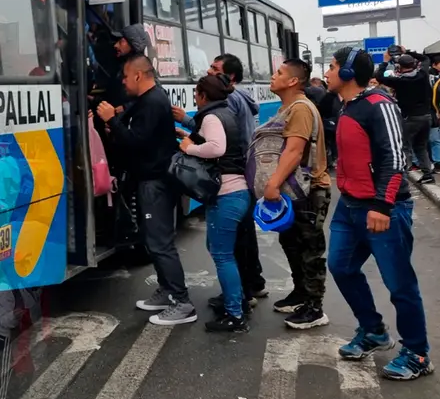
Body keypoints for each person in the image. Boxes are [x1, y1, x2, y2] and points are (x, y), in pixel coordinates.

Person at [323, 47, 433, 380]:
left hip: (383, 207)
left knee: (400, 284)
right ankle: (373, 330)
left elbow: (395, 159)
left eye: (331, 67)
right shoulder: (346, 106)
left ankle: (417, 353)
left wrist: (383, 205)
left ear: (346, 73)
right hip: (349, 205)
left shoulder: (379, 106)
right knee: (340, 266)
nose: (327, 72)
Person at [95, 55, 194, 325]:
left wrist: (112, 122)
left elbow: (136, 142)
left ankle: (181, 301)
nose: (123, 83)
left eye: (125, 77)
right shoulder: (149, 100)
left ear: (138, 76)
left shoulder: (152, 102)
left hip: (156, 182)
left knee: (160, 243)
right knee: (153, 241)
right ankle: (166, 291)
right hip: (150, 179)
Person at [176, 75, 251, 332]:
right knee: (220, 249)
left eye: (196, 94)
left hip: (228, 195)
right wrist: (189, 137)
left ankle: (235, 315)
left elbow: (217, 148)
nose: (195, 99)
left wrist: (189, 149)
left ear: (203, 95)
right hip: (235, 193)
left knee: (222, 255)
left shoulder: (210, 117)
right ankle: (238, 301)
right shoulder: (224, 113)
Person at [264, 59, 333, 330]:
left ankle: (315, 308)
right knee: (291, 243)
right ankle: (301, 294)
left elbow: (294, 151)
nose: (273, 76)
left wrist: (273, 184)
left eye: (279, 73)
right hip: (295, 190)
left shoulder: (301, 108)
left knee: (310, 249)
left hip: (310, 189)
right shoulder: (289, 107)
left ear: (293, 81)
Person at [375, 50, 435, 184]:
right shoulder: (423, 74)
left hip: (410, 118)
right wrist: (406, 51)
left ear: (399, 67)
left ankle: (402, 175)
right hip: (426, 116)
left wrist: (385, 61)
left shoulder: (399, 81)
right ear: (414, 64)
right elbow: (425, 59)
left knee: (404, 146)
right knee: (421, 146)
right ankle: (428, 174)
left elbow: (379, 76)